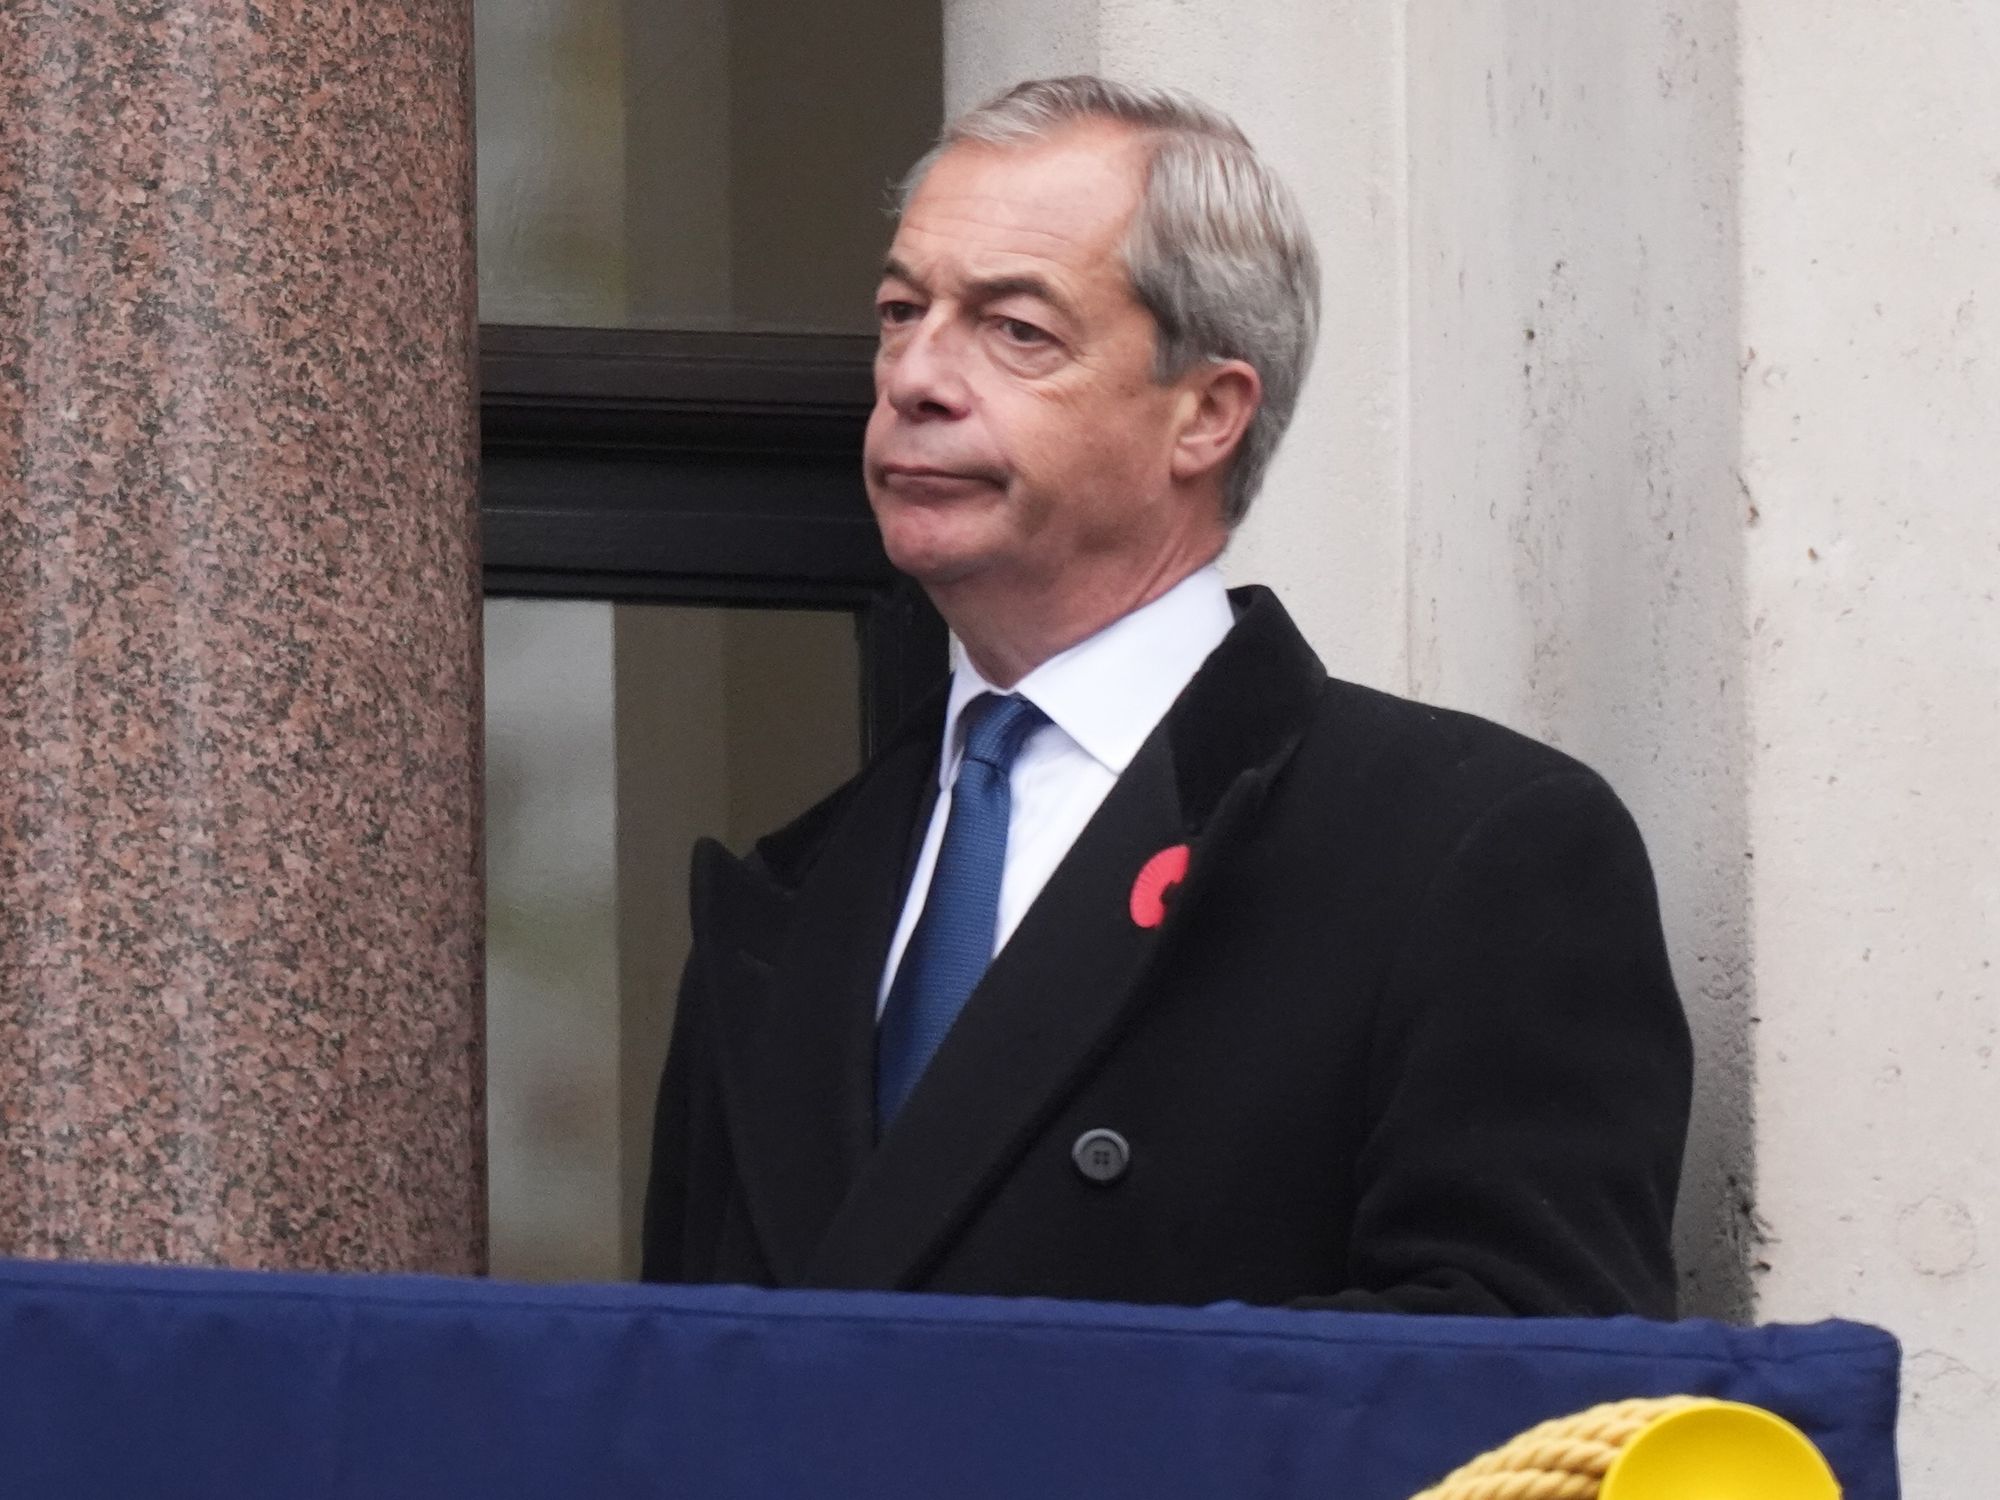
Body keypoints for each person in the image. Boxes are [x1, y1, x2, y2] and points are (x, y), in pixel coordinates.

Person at [642, 76, 1691, 1317]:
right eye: (897, 311)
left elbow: (1513, 1387)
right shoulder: (785, 895)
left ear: (1203, 414)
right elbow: (673, 1393)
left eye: (1014, 329)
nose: (914, 377)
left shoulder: (1472, 849)